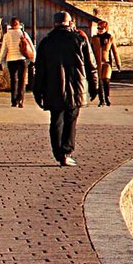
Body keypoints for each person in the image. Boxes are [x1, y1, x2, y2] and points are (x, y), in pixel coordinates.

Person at [33, 11, 97, 167]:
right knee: (71, 120)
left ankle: (58, 153)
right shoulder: (79, 40)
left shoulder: (46, 42)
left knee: (56, 120)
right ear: (70, 23)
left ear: (54, 24)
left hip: (53, 88)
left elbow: (39, 70)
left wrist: (37, 91)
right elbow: (91, 65)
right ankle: (67, 151)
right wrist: (95, 86)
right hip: (77, 87)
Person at [0, 17, 36, 108]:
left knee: (14, 80)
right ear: (18, 24)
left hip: (11, 59)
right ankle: (20, 100)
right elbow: (32, 47)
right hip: (22, 60)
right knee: (22, 81)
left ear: (11, 24)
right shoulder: (23, 33)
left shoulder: (7, 35)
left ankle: (13, 101)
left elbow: (3, 50)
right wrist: (33, 60)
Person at [88, 20, 121, 106]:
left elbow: (115, 52)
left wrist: (118, 63)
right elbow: (90, 51)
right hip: (97, 63)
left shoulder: (110, 38)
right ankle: (101, 100)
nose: (100, 30)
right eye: (98, 28)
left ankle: (107, 97)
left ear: (106, 28)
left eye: (102, 28)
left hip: (106, 63)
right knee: (99, 81)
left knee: (106, 80)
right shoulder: (94, 38)